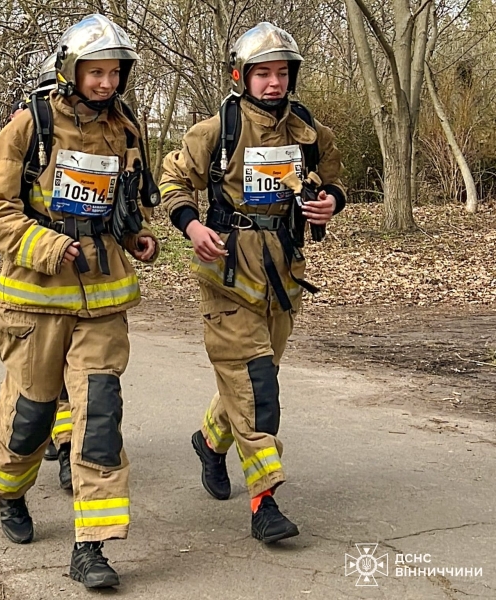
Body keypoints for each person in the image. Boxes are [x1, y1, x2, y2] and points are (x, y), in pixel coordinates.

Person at [0, 14, 159, 589]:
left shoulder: (126, 130)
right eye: (94, 71)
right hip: (34, 302)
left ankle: (93, 546)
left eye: (113, 72)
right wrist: (48, 245)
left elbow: (125, 203)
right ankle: (8, 490)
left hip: (102, 303)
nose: (105, 82)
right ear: (69, 69)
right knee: (30, 417)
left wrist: (137, 236)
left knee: (99, 416)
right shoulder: (31, 125)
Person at [160, 22, 345, 544]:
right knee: (258, 386)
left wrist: (330, 203)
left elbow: (332, 184)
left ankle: (210, 441)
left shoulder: (309, 131)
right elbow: (172, 181)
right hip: (227, 275)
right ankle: (265, 502)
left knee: (252, 376)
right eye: (262, 73)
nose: (273, 82)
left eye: (281, 72)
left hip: (284, 274)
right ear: (241, 75)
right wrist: (192, 227)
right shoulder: (214, 129)